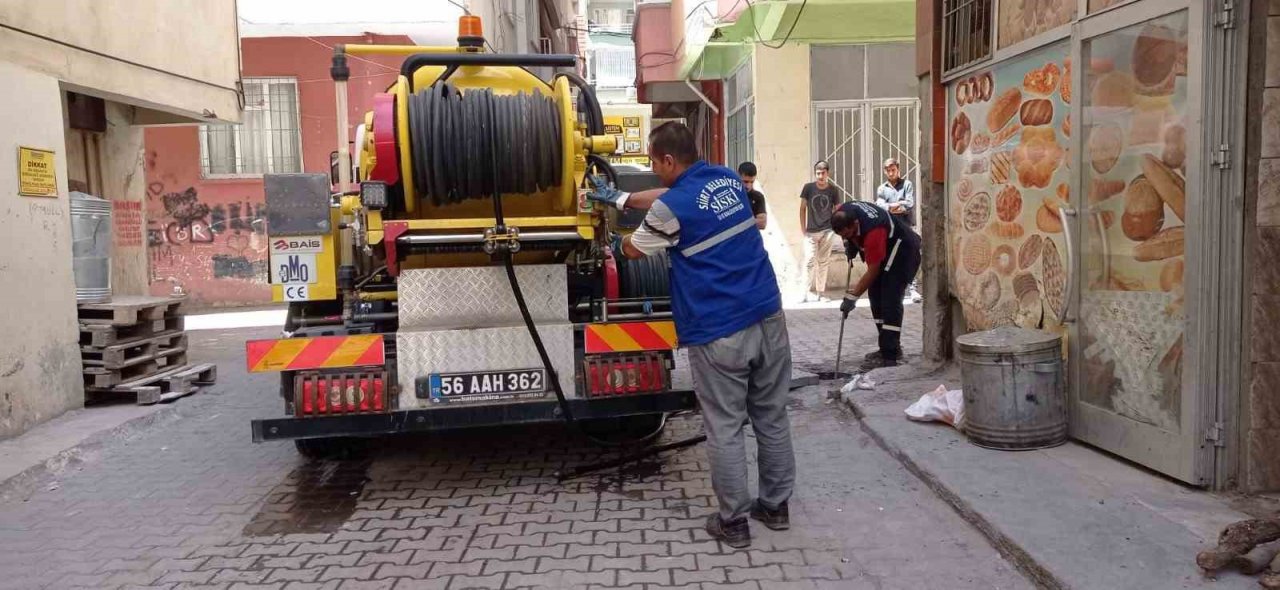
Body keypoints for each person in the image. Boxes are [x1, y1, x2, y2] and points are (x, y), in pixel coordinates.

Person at [587, 122, 795, 549]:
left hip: (718, 329)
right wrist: (622, 198)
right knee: (771, 416)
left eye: (652, 161)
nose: (650, 167)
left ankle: (733, 522)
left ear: (668, 160)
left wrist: (613, 234)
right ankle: (775, 507)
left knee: (724, 427)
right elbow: (672, 198)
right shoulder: (724, 179)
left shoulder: (671, 210)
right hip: (768, 315)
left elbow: (634, 249)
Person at [833, 200, 922, 370]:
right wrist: (850, 243)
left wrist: (852, 297)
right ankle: (885, 347)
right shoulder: (842, 213)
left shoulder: (874, 232)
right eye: (843, 236)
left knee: (890, 299)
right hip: (886, 249)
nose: (846, 237)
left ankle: (890, 356)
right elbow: (849, 234)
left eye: (849, 234)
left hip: (903, 252)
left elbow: (873, 271)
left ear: (856, 224)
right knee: (875, 296)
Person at [874, 158, 922, 303]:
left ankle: (912, 289)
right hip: (891, 229)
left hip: (906, 227)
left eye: (893, 170)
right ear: (885, 171)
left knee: (911, 256)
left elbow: (909, 204)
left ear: (898, 169)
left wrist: (892, 206)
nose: (891, 173)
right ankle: (894, 289)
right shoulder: (882, 188)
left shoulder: (907, 184)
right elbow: (880, 205)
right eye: (888, 170)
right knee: (891, 258)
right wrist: (894, 207)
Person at [799, 161, 840, 302]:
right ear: (815, 173)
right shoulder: (808, 188)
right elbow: (802, 208)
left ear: (828, 173)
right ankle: (804, 293)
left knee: (823, 262)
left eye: (823, 173)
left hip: (827, 230)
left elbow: (838, 210)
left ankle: (820, 293)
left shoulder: (833, 190)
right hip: (811, 231)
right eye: (818, 173)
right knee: (809, 261)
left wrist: (836, 228)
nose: (820, 176)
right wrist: (803, 228)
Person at [738, 161, 767, 229]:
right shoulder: (731, 194)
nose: (748, 186)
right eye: (745, 182)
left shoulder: (758, 197)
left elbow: (762, 223)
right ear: (738, 176)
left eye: (752, 182)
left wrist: (737, 222)